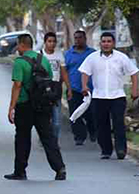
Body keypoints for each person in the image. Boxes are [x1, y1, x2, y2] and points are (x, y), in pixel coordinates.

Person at [5, 34, 66, 181]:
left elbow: (17, 85)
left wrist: (11, 107)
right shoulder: (43, 60)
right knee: (48, 137)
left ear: (21, 45)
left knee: (22, 138)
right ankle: (60, 168)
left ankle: (20, 171)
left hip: (25, 105)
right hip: (43, 105)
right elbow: (50, 80)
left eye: (18, 46)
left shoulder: (20, 62)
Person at [79, 32, 139, 160]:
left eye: (109, 41)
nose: (106, 44)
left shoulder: (121, 57)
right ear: (100, 43)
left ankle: (121, 149)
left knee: (118, 124)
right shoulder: (92, 57)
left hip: (117, 96)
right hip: (99, 96)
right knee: (101, 124)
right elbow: (84, 72)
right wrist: (84, 86)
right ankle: (106, 150)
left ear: (113, 43)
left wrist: (135, 90)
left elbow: (134, 73)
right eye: (104, 41)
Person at [65, 30, 96, 145]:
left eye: (80, 38)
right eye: (76, 38)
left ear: (85, 39)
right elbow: (64, 71)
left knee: (91, 113)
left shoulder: (92, 53)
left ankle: (93, 132)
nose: (78, 40)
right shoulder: (68, 54)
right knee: (74, 113)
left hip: (90, 89)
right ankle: (79, 136)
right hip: (73, 89)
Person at [42, 32, 71, 141]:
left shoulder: (59, 55)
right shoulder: (40, 55)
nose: (52, 44)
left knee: (57, 121)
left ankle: (54, 141)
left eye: (54, 41)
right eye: (49, 41)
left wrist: (69, 88)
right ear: (45, 42)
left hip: (56, 88)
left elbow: (64, 73)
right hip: (43, 88)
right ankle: (45, 139)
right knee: (45, 118)